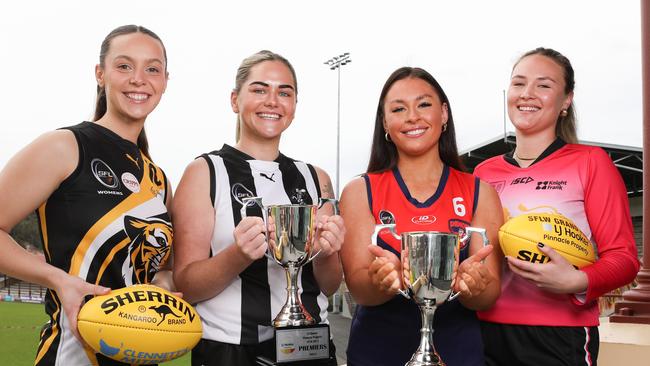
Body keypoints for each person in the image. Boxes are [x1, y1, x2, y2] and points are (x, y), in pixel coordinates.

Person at [0, 25, 173, 365]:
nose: (139, 78)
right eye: (124, 66)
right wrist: (56, 279)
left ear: (165, 80)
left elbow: (163, 268)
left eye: (152, 68)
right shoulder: (64, 146)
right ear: (100, 74)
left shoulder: (159, 179)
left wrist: (162, 288)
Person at [172, 50, 345, 366]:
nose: (273, 101)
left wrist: (329, 252)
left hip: (310, 346)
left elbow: (329, 286)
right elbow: (186, 285)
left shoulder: (316, 177)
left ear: (294, 106)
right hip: (231, 351)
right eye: (259, 89)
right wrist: (237, 255)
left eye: (284, 92)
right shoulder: (205, 171)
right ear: (235, 100)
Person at [475, 47, 640, 365]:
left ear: (566, 100)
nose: (527, 94)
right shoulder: (484, 173)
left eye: (544, 85)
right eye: (519, 83)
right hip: (485, 333)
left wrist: (576, 281)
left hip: (560, 338)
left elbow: (624, 259)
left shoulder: (591, 163)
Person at [339, 67, 504, 366]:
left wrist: (475, 285)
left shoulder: (480, 192)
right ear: (385, 123)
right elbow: (360, 290)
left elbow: (488, 294)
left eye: (424, 104)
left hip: (458, 353)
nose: (413, 116)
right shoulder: (359, 191)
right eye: (399, 108)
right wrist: (382, 280)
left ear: (444, 114)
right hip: (377, 353)